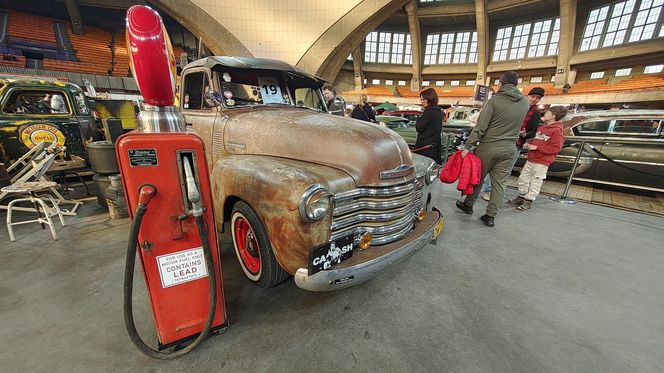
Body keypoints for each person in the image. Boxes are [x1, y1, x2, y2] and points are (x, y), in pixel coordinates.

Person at [456, 71, 529, 227]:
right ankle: (490, 216)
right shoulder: (524, 103)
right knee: (500, 184)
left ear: (501, 84)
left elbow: (480, 128)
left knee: (478, 179)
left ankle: (468, 205)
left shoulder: (494, 101)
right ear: (516, 85)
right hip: (510, 148)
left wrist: (468, 146)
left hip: (488, 147)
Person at [509, 106, 567, 211]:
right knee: (523, 178)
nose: (545, 113)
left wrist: (536, 148)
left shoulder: (557, 131)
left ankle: (529, 200)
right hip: (531, 158)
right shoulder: (541, 128)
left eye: (548, 112)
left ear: (553, 116)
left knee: (536, 181)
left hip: (543, 161)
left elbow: (556, 148)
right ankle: (521, 196)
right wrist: (529, 144)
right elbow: (538, 140)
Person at [414, 88, 443, 163]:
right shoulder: (438, 111)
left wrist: (419, 117)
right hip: (434, 146)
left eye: (424, 99)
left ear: (430, 98)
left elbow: (419, 127)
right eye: (421, 100)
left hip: (425, 148)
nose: (422, 102)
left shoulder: (429, 111)